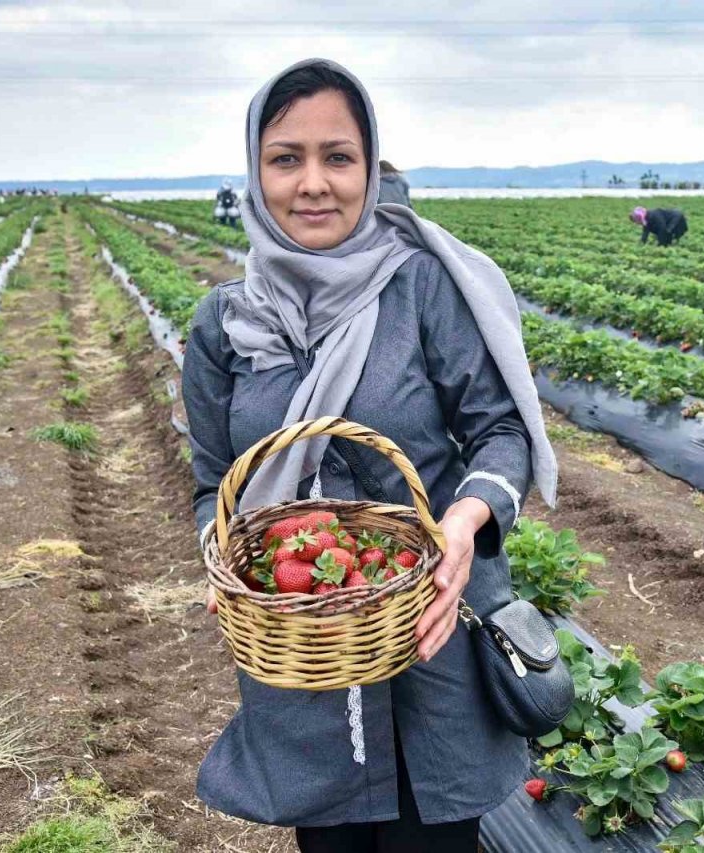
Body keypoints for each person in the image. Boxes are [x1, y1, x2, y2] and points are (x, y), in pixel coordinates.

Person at [183, 58, 557, 853]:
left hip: (432, 625)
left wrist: (463, 521)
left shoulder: (418, 286)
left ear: (369, 165)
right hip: (307, 657)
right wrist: (224, 561)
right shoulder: (224, 324)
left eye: (338, 156)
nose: (313, 182)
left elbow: (501, 429)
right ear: (255, 171)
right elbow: (212, 482)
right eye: (286, 158)